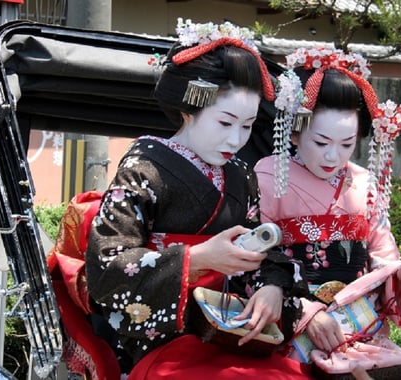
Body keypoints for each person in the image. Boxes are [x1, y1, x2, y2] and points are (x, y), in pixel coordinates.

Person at [83, 19, 311, 380]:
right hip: (160, 338)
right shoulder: (145, 168)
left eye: (247, 125)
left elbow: (260, 247)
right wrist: (200, 258)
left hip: (228, 329)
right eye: (225, 122)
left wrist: (270, 286)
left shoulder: (241, 175)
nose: (236, 139)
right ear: (189, 109)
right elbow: (108, 267)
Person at [254, 47, 401, 378]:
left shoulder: (363, 182)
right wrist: (305, 313)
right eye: (321, 142)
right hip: (294, 322)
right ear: (294, 131)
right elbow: (257, 261)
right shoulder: (269, 177)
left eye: (346, 144)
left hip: (360, 325)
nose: (332, 156)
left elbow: (382, 257)